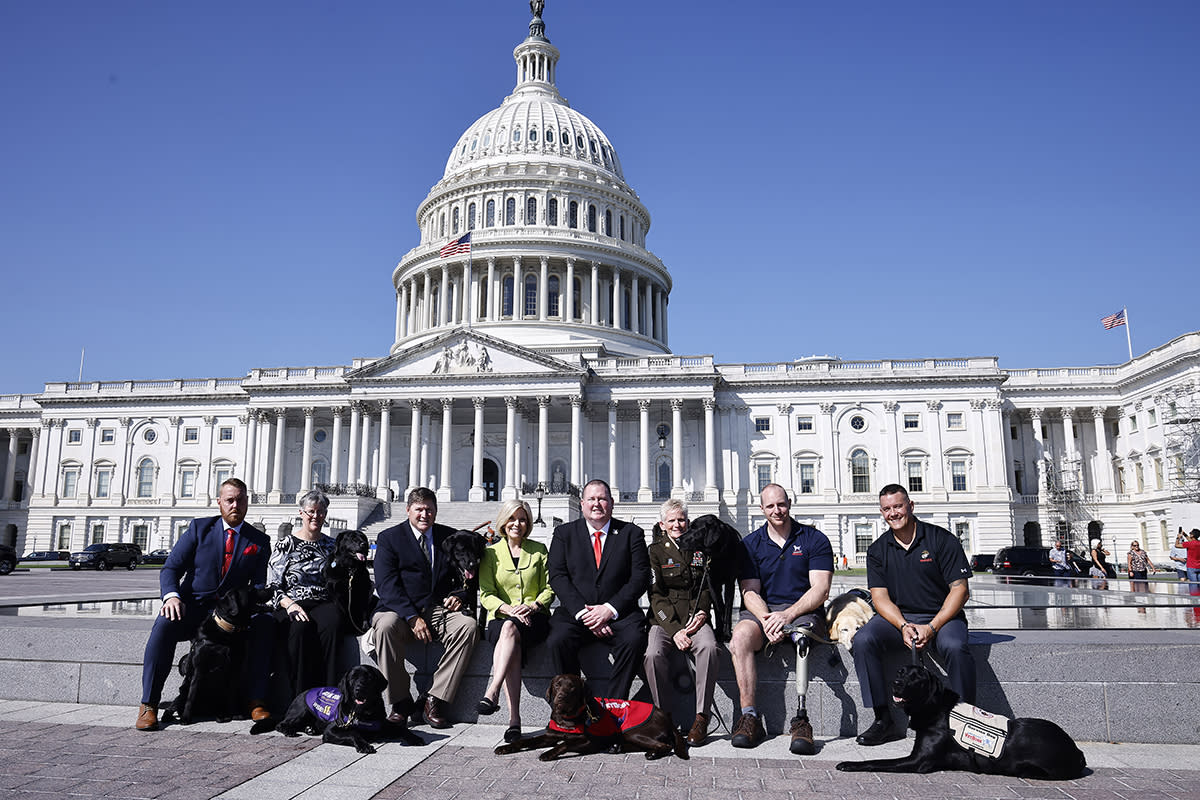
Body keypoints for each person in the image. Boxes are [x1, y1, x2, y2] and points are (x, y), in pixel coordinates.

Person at [136, 478, 273, 731]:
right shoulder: (200, 529)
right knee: (163, 626)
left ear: (247, 502)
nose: (235, 505)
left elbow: (258, 586)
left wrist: (255, 607)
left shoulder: (259, 541)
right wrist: (172, 596)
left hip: (231, 618)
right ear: (219, 502)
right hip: (193, 608)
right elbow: (171, 568)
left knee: (265, 626)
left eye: (240, 499)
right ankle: (149, 704)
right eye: (229, 500)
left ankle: (256, 701)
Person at [851, 484, 975, 747]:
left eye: (898, 506)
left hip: (943, 617)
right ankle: (883, 719)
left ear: (911, 506)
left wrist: (932, 626)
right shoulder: (877, 549)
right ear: (881, 512)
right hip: (899, 619)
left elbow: (960, 590)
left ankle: (965, 720)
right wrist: (903, 625)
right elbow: (880, 597)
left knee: (955, 645)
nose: (893, 513)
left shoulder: (941, 539)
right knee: (863, 640)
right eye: (887, 509)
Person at [728, 483, 832, 754]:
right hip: (763, 610)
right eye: (771, 506)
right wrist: (766, 619)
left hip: (803, 611)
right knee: (739, 638)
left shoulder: (814, 538)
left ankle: (801, 719)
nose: (777, 510)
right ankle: (749, 717)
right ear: (761, 509)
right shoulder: (750, 543)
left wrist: (787, 615)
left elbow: (820, 589)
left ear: (790, 503)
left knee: (801, 637)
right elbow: (749, 591)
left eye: (781, 504)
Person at [371, 487, 479, 729]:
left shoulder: (448, 538)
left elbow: (466, 575)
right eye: (419, 509)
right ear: (407, 510)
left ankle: (435, 698)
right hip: (398, 610)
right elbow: (386, 585)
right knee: (385, 627)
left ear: (436, 512)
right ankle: (400, 703)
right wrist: (411, 617)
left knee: (468, 626)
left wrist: (460, 595)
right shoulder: (389, 538)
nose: (424, 515)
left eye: (429, 510)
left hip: (436, 609)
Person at [546, 478, 649, 700]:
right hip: (576, 613)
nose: (596, 504)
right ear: (581, 504)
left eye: (602, 499)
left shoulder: (632, 533)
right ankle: (572, 702)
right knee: (558, 639)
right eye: (591, 499)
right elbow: (557, 576)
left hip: (619, 613)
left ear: (611, 503)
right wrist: (586, 615)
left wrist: (609, 610)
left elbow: (640, 577)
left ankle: (614, 704)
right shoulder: (564, 534)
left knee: (634, 639)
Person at [642, 499, 720, 747]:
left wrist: (702, 613)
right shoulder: (655, 551)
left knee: (709, 648)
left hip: (694, 616)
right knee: (653, 654)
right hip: (665, 620)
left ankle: (701, 717)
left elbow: (705, 586)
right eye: (672, 520)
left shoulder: (699, 549)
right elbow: (655, 594)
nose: (678, 524)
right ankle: (663, 717)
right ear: (662, 524)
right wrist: (675, 630)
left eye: (682, 520)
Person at [477, 498, 554, 744]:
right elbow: (486, 593)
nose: (517, 524)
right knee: (510, 632)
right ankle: (514, 720)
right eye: (512, 518)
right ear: (503, 521)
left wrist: (532, 606)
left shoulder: (539, 549)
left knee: (511, 633)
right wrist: (509, 609)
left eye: (522, 519)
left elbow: (550, 589)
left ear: (528, 523)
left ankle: (493, 691)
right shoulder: (490, 553)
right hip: (501, 617)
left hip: (534, 618)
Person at [267, 489, 340, 697]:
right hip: (292, 602)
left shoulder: (331, 545)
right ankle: (298, 697)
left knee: (332, 624)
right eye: (311, 511)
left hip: (323, 602)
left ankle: (327, 696)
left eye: (320, 511)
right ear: (301, 513)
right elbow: (272, 585)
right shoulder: (286, 544)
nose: (316, 516)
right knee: (299, 628)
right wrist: (289, 604)